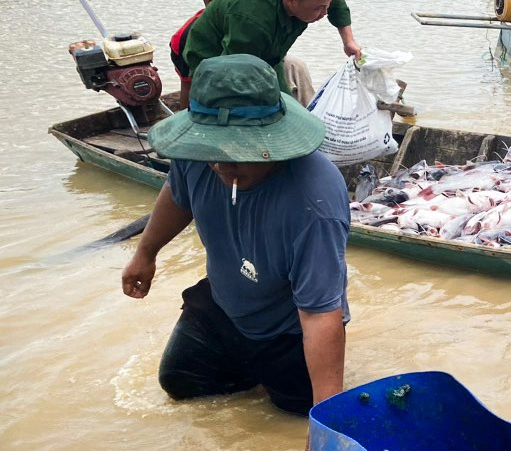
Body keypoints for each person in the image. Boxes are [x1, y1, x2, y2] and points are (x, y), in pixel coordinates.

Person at [121, 54, 349, 419]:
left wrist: (327, 417)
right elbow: (179, 194)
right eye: (215, 150)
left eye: (239, 151)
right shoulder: (199, 153)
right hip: (224, 303)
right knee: (179, 383)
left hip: (286, 327)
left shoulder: (313, 201)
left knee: (297, 413)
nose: (222, 164)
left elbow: (320, 313)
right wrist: (145, 253)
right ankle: (245, 371)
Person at [182, 0, 361, 98]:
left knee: (286, 105)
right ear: (291, 0)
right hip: (214, 57)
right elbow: (237, 70)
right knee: (246, 106)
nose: (324, 12)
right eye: (318, 8)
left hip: (268, 55)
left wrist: (349, 41)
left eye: (327, 5)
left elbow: (335, 1)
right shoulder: (253, 20)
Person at [170, 0, 241, 109]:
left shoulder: (245, 20)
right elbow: (188, 84)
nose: (240, 0)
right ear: (210, 1)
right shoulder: (185, 37)